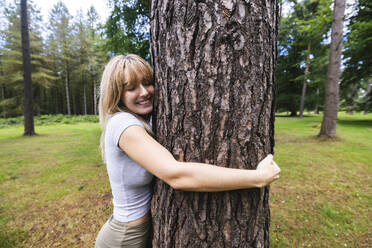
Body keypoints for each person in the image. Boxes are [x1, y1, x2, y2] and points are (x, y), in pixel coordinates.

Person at [95, 54, 280, 248]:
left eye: (147, 83)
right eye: (131, 88)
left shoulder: (142, 119)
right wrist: (257, 177)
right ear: (117, 94)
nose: (144, 92)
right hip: (124, 238)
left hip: (135, 231)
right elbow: (177, 175)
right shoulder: (123, 124)